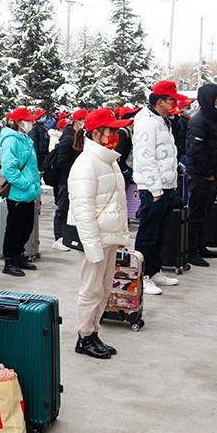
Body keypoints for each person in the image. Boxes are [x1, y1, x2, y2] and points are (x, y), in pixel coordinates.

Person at [67, 108, 132, 360]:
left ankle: (94, 332)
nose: (116, 135)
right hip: (94, 239)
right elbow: (83, 210)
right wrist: (92, 246)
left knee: (104, 289)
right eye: (111, 130)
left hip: (109, 236)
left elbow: (118, 203)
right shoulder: (86, 164)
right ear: (96, 134)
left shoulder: (109, 160)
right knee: (91, 289)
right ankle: (84, 336)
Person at [132, 80, 184, 295]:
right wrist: (154, 188)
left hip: (166, 185)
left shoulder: (162, 121)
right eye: (171, 100)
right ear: (160, 101)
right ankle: (141, 275)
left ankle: (154, 270)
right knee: (148, 233)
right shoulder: (146, 122)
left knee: (161, 232)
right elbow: (146, 157)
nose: (174, 104)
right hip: (152, 188)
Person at [185, 83, 217, 267]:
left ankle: (200, 245)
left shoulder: (214, 121)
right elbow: (196, 152)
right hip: (201, 177)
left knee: (205, 214)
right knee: (196, 215)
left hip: (213, 177)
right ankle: (191, 251)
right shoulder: (199, 122)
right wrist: (208, 173)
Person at [0, 107, 42, 276]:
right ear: (18, 122)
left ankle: (18, 255)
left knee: (26, 227)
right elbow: (9, 169)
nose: (30, 123)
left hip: (28, 193)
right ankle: (9, 260)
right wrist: (26, 184)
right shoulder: (11, 140)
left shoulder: (25, 139)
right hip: (18, 193)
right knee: (14, 228)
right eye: (27, 120)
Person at [51, 108, 87, 251]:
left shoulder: (79, 136)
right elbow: (62, 162)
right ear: (77, 121)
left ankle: (66, 236)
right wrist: (74, 169)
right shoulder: (68, 138)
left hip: (74, 179)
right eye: (83, 120)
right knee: (62, 208)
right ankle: (58, 237)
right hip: (65, 180)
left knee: (69, 209)